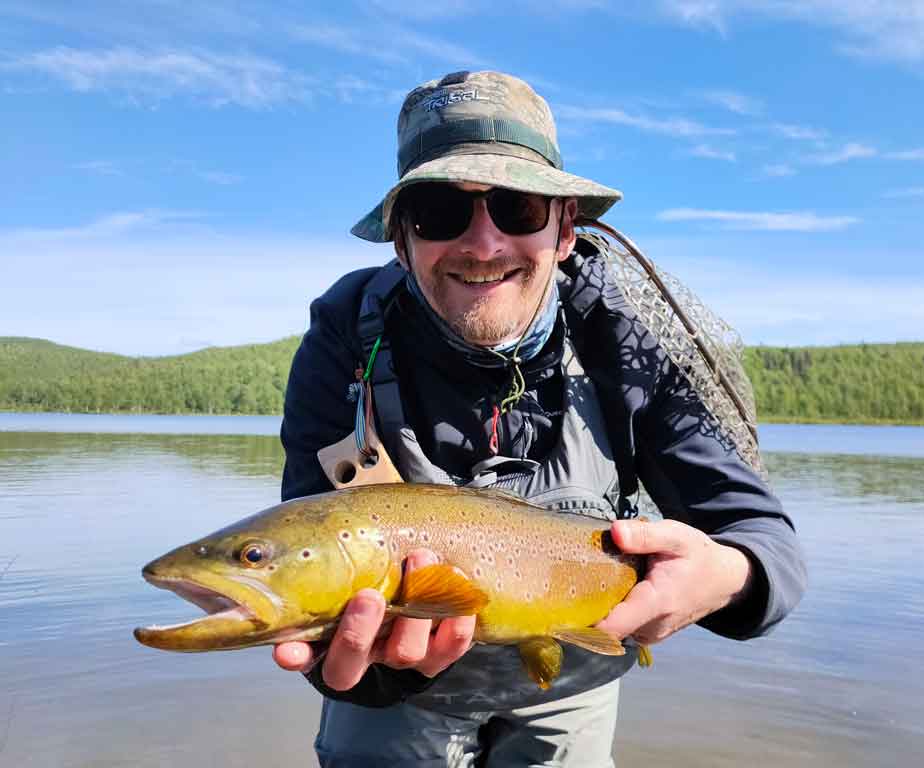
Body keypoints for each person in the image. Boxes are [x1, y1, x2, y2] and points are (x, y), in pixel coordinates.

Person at [273, 70, 806, 768]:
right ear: (401, 241)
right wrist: (366, 667)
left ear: (565, 229)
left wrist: (727, 574)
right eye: (439, 211)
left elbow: (764, 541)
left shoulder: (631, 341)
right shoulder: (344, 339)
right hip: (398, 693)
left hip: (575, 679)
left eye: (517, 207)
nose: (483, 243)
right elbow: (308, 558)